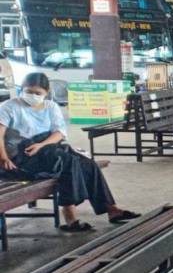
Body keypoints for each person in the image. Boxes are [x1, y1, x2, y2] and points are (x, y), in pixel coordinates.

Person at [0, 72, 141, 232]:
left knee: (88, 164)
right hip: (21, 157)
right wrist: (4, 158)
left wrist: (41, 145)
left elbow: (59, 132)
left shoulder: (50, 107)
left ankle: (112, 209)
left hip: (45, 149)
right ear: (22, 89)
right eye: (29, 91)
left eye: (37, 93)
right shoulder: (10, 107)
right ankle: (70, 217)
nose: (33, 96)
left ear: (46, 92)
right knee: (67, 162)